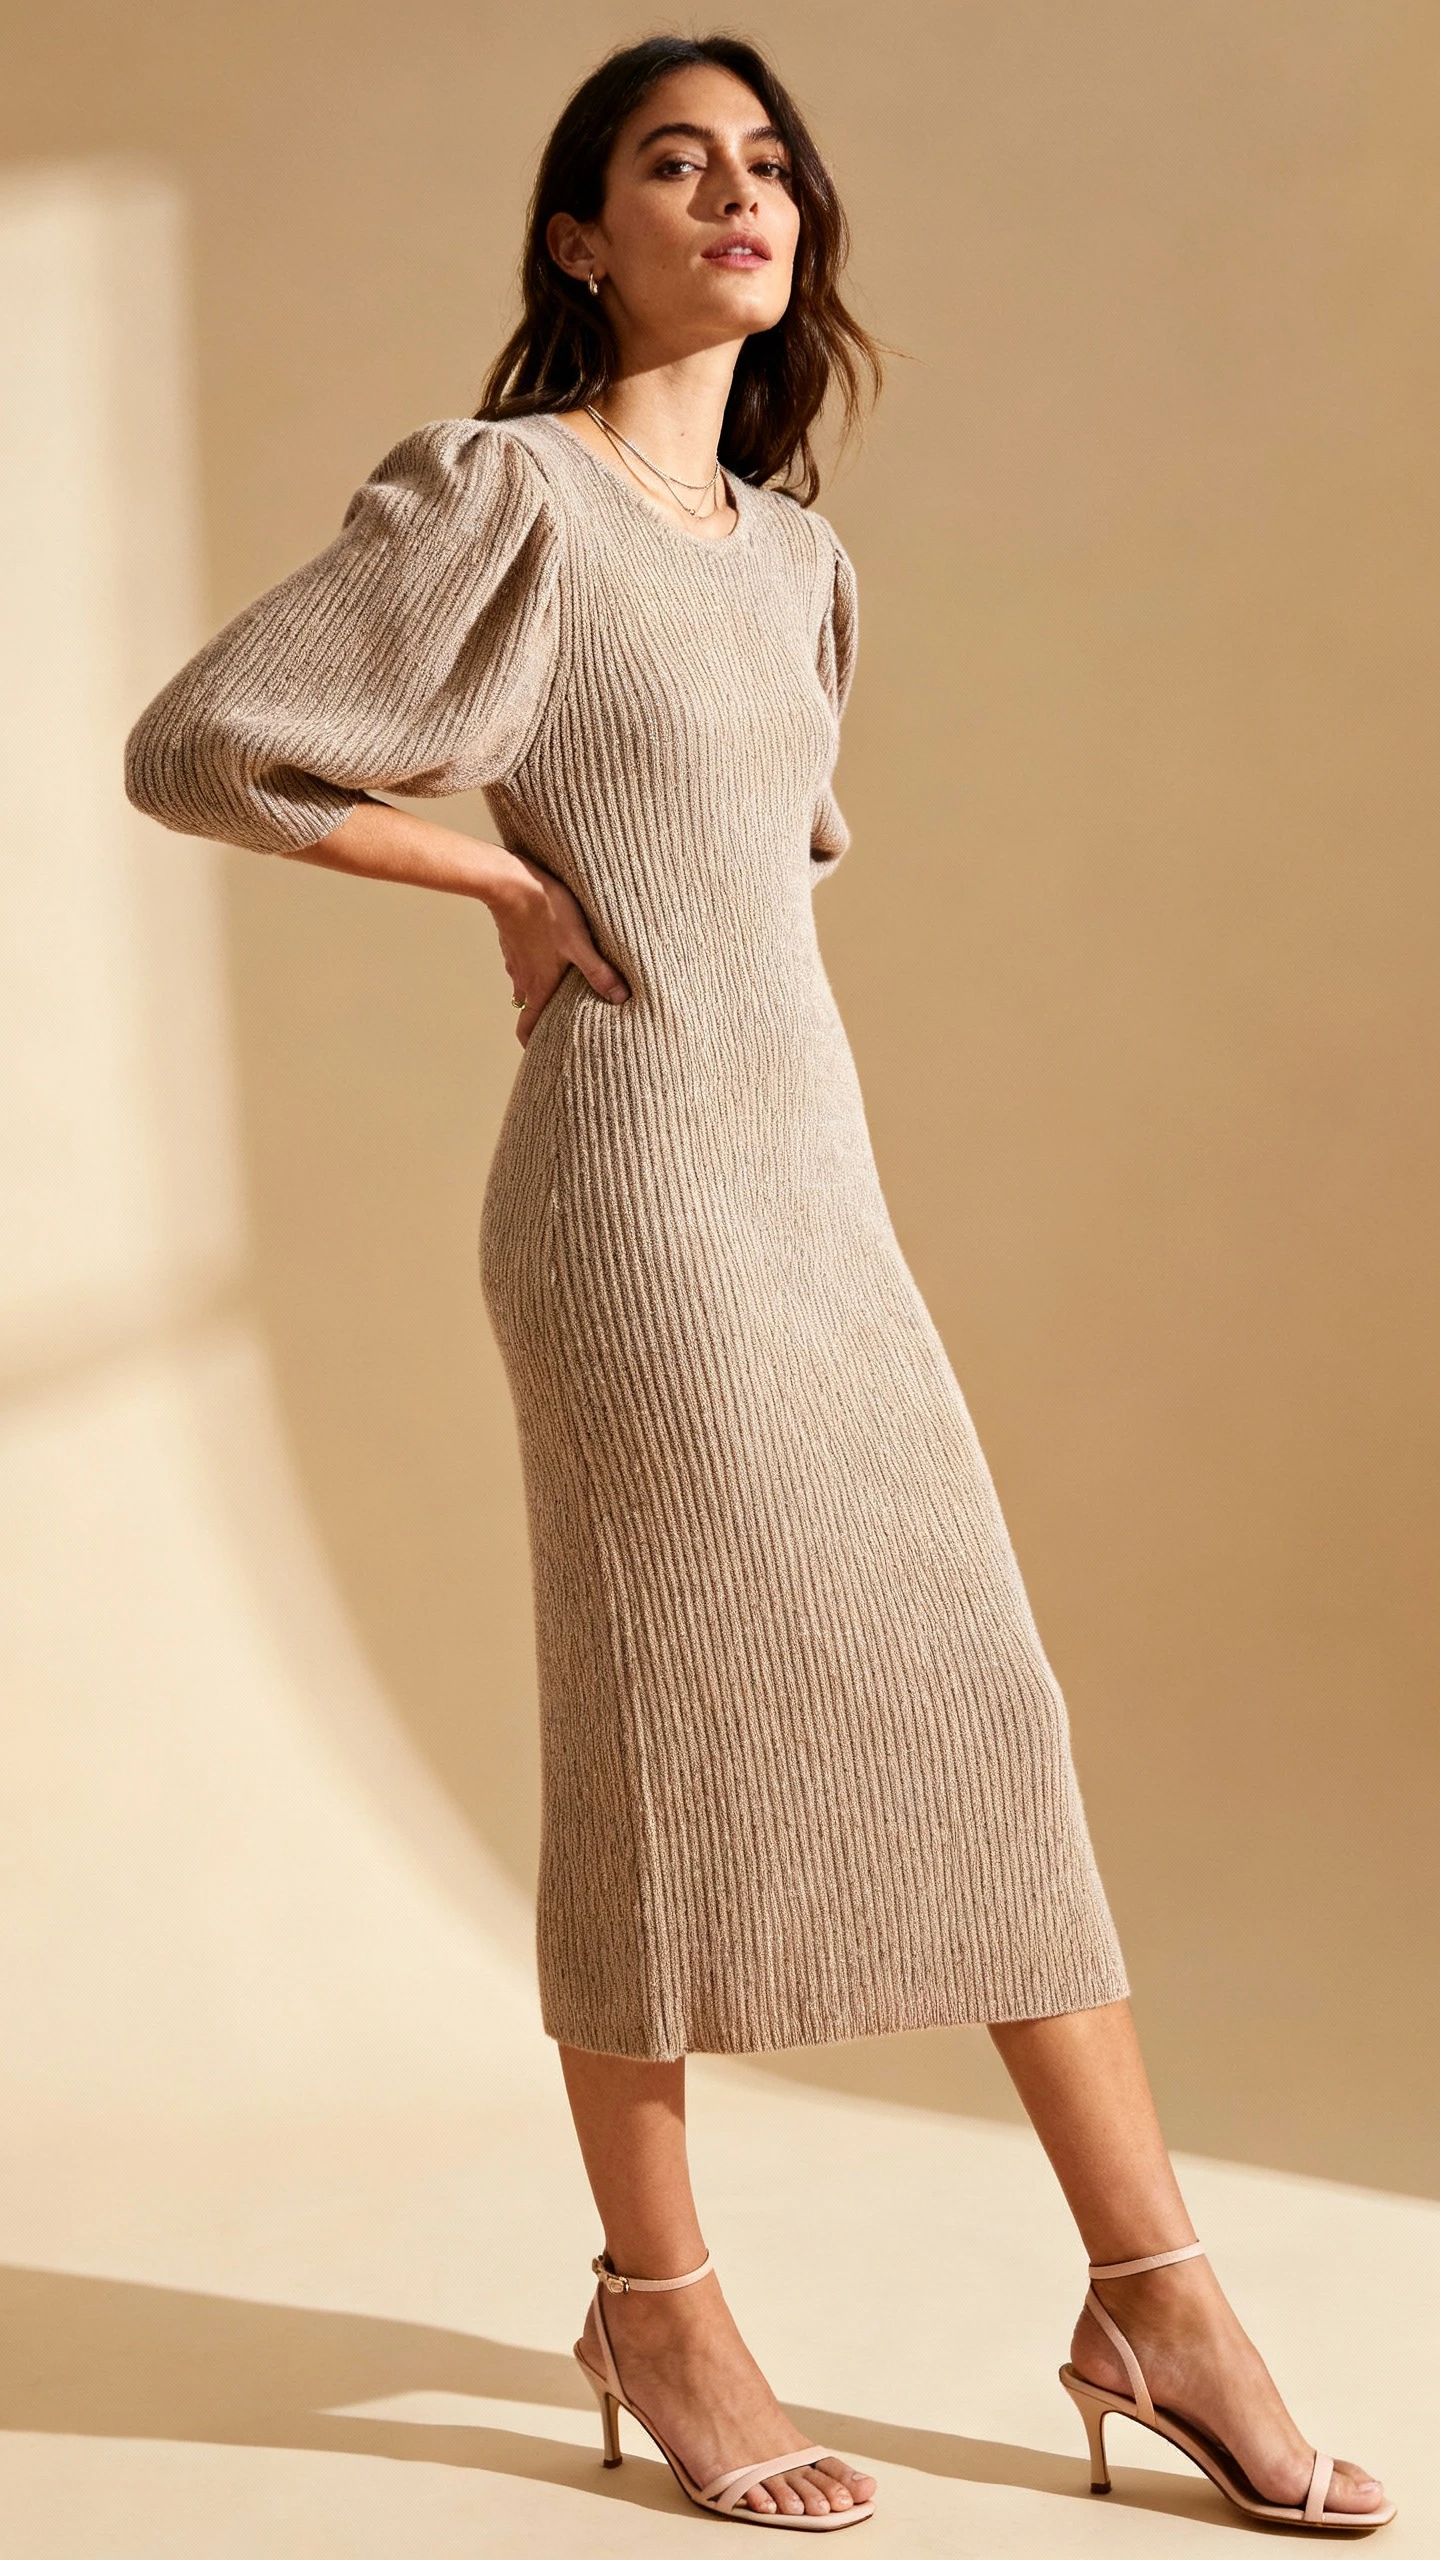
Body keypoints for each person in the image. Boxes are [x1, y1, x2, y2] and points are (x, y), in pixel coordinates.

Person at [124, 31, 1394, 2538]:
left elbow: (762, 888)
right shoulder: (506, 492)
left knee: (983, 1706)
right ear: (579, 237)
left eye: (769, 165)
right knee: (657, 1743)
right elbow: (206, 744)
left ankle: (1158, 2291)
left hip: (815, 1190)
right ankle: (665, 2299)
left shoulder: (802, 564)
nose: (740, 194)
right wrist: (498, 876)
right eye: (673, 163)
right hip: (630, 1203)